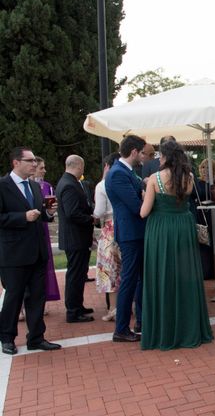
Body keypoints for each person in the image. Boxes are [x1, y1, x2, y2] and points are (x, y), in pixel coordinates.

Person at [140, 141, 213, 350]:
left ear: (165, 157)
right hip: (183, 227)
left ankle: (166, 330)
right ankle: (188, 328)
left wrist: (145, 195)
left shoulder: (155, 179)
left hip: (161, 230)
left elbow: (144, 212)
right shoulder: (188, 178)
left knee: (162, 276)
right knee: (185, 278)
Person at [0, 147, 61, 355]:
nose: (34, 164)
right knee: (13, 297)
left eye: (35, 160)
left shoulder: (35, 187)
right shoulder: (2, 186)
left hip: (37, 252)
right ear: (16, 162)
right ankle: (7, 338)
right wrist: (22, 217)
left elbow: (40, 216)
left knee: (37, 297)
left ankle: (36, 337)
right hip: (14, 254)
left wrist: (48, 213)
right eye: (30, 160)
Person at [105, 135, 148, 343]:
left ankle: (140, 321)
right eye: (142, 153)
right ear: (133, 152)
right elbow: (136, 206)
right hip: (131, 234)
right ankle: (121, 328)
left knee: (138, 279)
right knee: (129, 279)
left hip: (136, 232)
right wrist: (143, 194)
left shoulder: (126, 172)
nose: (143, 157)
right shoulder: (118, 174)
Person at [56, 155, 96, 323]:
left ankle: (77, 306)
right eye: (82, 167)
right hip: (75, 237)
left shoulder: (67, 182)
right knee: (75, 274)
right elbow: (72, 213)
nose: (83, 170)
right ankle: (73, 310)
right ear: (78, 166)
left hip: (77, 237)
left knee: (79, 274)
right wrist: (91, 219)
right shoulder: (69, 185)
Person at [93, 152, 122, 322]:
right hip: (126, 226)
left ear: (106, 166)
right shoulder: (129, 179)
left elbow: (99, 211)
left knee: (109, 269)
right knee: (126, 268)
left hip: (109, 228)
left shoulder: (102, 185)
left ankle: (113, 308)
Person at [33, 157, 61, 305]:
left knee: (43, 266)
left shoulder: (46, 186)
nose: (44, 171)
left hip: (42, 228)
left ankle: (40, 299)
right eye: (41, 168)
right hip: (27, 229)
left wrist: (51, 211)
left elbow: (49, 212)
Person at [195, 158, 215, 280]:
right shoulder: (196, 183)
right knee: (205, 241)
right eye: (203, 167)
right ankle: (206, 270)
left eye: (208, 168)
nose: (205, 170)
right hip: (202, 215)